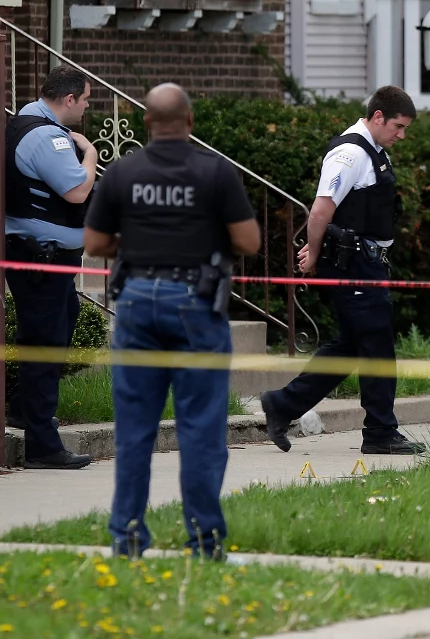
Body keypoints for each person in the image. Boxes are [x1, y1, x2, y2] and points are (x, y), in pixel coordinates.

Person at [84, 83, 260, 560]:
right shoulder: (215, 172)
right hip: (196, 301)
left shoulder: (123, 172)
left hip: (137, 299)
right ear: (190, 121)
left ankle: (126, 541)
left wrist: (139, 245)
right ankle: (204, 543)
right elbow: (248, 240)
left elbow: (95, 243)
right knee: (201, 429)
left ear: (146, 122)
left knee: (134, 430)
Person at [260, 86, 425, 456]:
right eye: (398, 126)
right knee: (378, 345)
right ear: (378, 117)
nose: (402, 135)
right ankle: (381, 432)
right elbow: (320, 211)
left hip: (365, 262)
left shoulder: (374, 150)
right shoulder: (351, 153)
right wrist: (314, 254)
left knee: (353, 345)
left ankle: (281, 404)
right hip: (355, 265)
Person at [5, 65, 99, 470]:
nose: (87, 107)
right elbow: (78, 191)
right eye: (86, 100)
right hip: (40, 257)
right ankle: (42, 445)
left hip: (44, 256)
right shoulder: (46, 136)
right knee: (44, 341)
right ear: (69, 99)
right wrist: (91, 154)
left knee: (64, 319)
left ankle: (23, 410)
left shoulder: (29, 123)